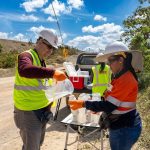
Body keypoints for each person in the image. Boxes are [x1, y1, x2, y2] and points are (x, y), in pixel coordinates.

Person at [69, 41, 142, 150]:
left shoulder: (126, 79)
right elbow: (110, 97)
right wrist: (98, 107)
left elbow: (109, 105)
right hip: (120, 125)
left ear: (121, 60)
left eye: (111, 61)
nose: (108, 64)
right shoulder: (119, 77)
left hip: (125, 128)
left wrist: (83, 103)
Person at [13, 29, 67, 150]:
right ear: (39, 41)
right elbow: (25, 70)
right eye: (48, 46)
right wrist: (53, 73)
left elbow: (41, 83)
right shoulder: (26, 55)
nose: (50, 51)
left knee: (36, 145)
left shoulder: (42, 61)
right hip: (28, 111)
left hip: (41, 111)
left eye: (52, 48)